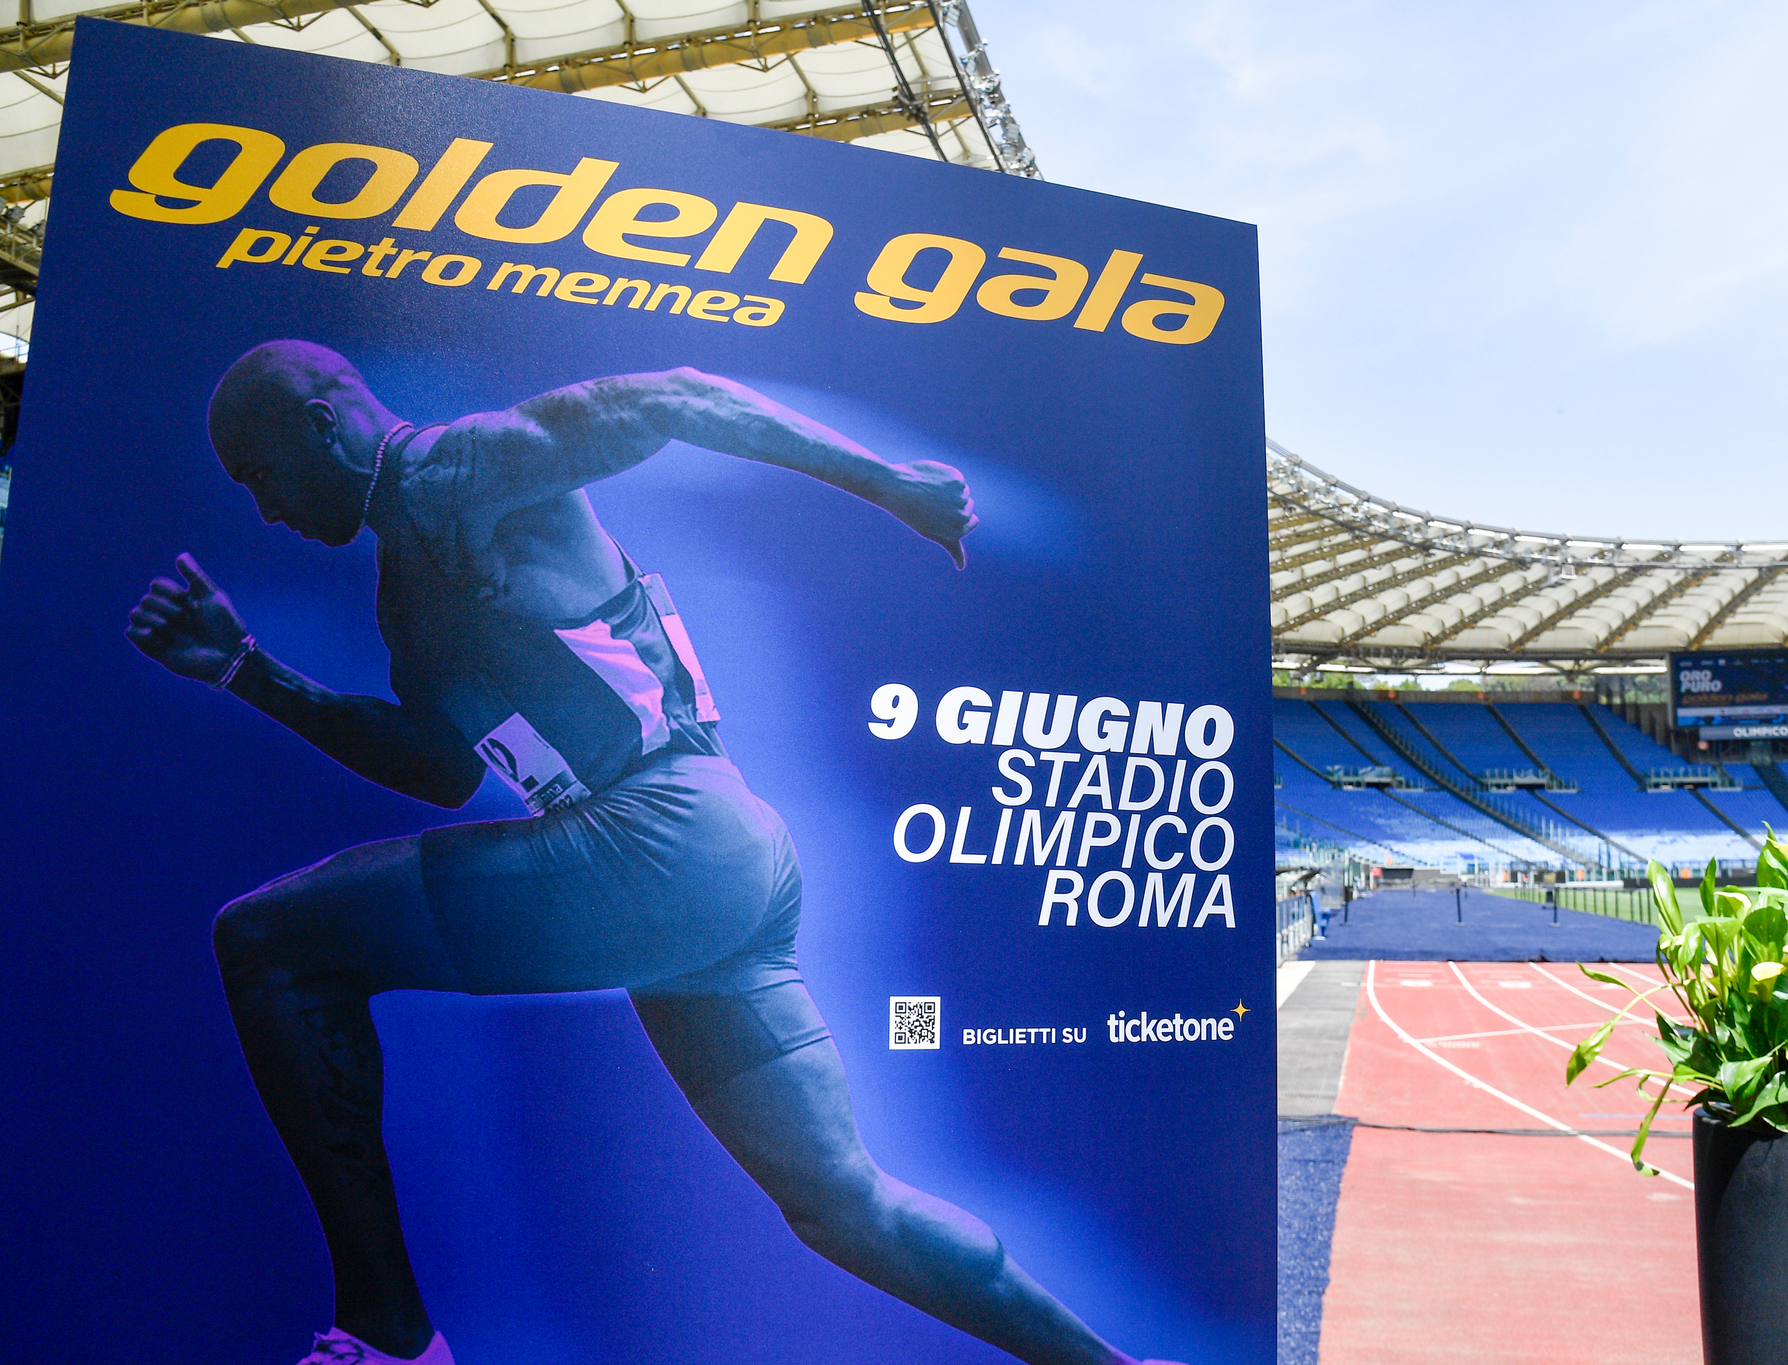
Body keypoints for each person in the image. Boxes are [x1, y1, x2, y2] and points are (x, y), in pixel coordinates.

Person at [126, 341, 1185, 1365]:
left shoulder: (460, 466)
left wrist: (887, 482)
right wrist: (247, 672)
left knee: (268, 942)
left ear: (321, 424)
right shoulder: (403, 580)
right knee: (842, 1203)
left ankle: (390, 1336)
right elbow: (438, 768)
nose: (265, 508)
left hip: (655, 841)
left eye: (259, 475)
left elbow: (673, 396)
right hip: (717, 865)